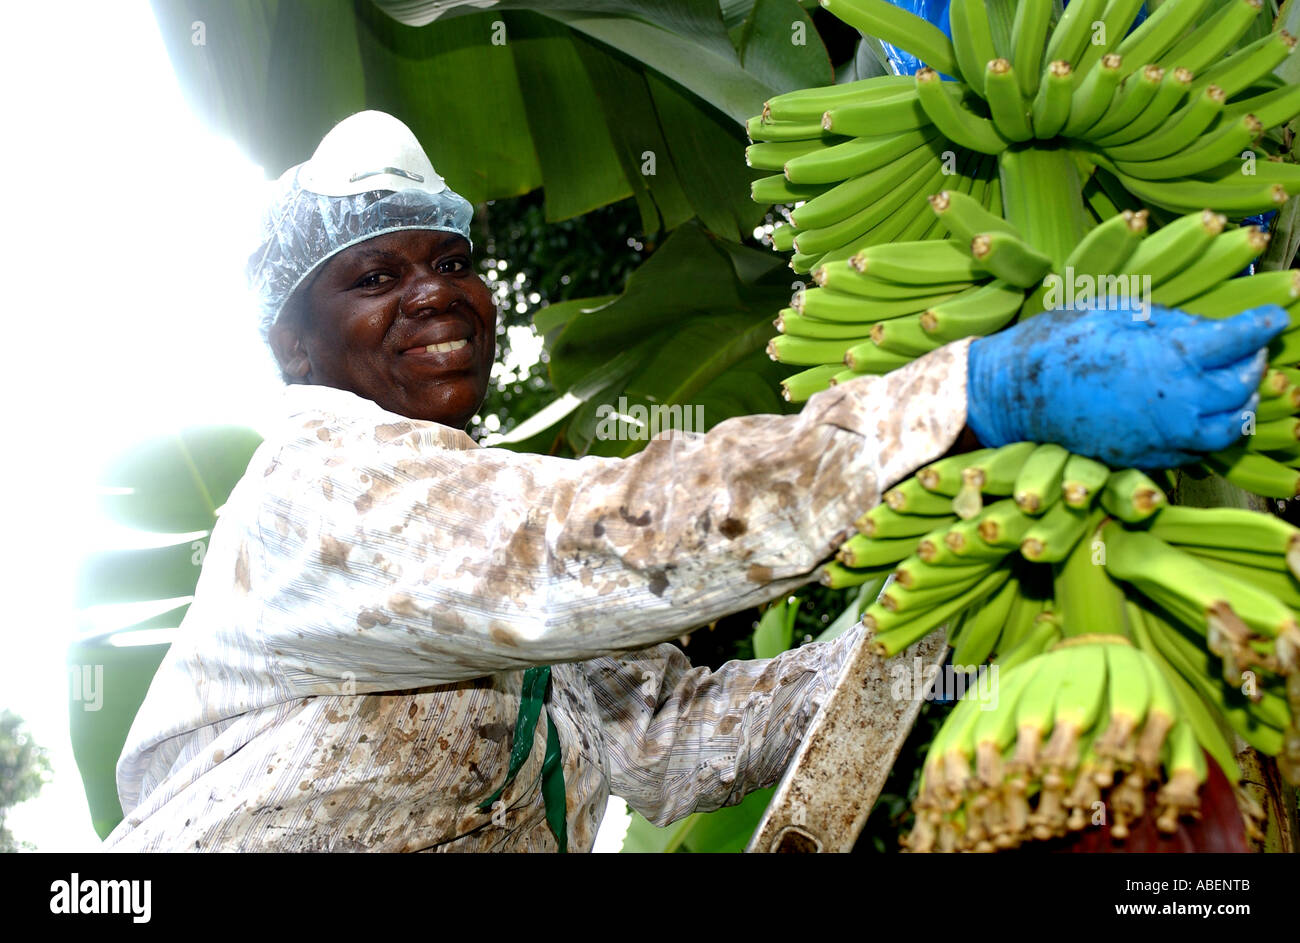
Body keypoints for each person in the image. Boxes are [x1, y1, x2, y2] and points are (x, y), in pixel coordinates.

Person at [104, 110, 1284, 853]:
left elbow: (667, 741)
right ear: (296, 347)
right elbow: (601, 543)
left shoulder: (489, 524)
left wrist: (913, 634)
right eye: (373, 274)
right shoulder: (313, 491)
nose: (433, 294)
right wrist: (961, 394)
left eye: (452, 261)